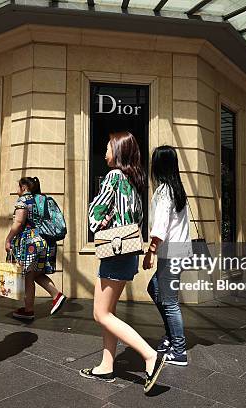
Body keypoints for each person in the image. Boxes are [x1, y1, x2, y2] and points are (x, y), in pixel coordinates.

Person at [80, 131, 166, 393]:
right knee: (110, 312)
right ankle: (106, 366)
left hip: (114, 254)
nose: (104, 150)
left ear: (117, 151)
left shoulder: (114, 177)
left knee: (100, 313)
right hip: (127, 253)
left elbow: (94, 216)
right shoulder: (134, 180)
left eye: (107, 146)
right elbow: (135, 219)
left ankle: (150, 356)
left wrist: (100, 221)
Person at [143, 146, 192, 366]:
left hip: (170, 254)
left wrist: (150, 251)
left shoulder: (164, 190)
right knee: (154, 289)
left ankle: (179, 349)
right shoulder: (177, 188)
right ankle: (171, 337)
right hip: (179, 252)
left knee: (170, 302)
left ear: (158, 165)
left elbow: (161, 227)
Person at [4, 176, 66, 320]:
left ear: (24, 188)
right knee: (34, 274)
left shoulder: (24, 200)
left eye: (18, 187)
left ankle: (30, 309)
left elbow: (18, 223)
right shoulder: (44, 199)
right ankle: (53, 297)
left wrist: (8, 239)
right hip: (47, 242)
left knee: (28, 275)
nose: (17, 190)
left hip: (31, 243)